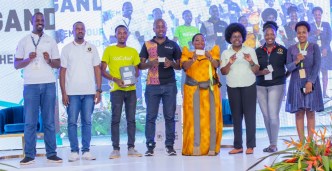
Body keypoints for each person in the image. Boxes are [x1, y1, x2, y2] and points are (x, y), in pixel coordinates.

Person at [14, 12, 62, 165]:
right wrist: (29, 59)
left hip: (49, 84)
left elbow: (58, 63)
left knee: (49, 121)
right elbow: (16, 64)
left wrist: (49, 60)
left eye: (42, 20)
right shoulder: (24, 41)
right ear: (32, 22)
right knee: (30, 122)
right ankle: (29, 155)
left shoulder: (50, 40)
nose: (40, 22)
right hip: (31, 86)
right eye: (37, 20)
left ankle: (51, 154)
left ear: (44, 22)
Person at [139, 19, 181, 156]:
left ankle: (170, 146)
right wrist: (150, 63)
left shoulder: (173, 45)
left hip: (169, 84)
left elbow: (179, 66)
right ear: (153, 29)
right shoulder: (147, 45)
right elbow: (140, 66)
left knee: (170, 116)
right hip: (152, 85)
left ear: (166, 28)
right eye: (158, 27)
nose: (160, 29)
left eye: (163, 26)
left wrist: (172, 64)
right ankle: (150, 146)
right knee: (151, 117)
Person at [59, 21, 101, 162]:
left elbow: (97, 69)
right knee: (71, 122)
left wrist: (99, 90)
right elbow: (62, 72)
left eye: (82, 29)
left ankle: (86, 151)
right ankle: (74, 151)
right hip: (72, 93)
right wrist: (64, 92)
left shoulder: (92, 48)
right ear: (73, 31)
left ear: (85, 31)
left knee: (87, 122)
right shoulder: (66, 49)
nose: (80, 31)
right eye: (77, 29)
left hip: (89, 92)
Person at [101, 25, 142, 159]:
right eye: (120, 33)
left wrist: (133, 76)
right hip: (116, 90)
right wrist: (115, 79)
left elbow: (137, 71)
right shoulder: (109, 50)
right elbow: (102, 70)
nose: (122, 35)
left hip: (131, 90)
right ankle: (115, 149)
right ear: (115, 34)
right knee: (115, 120)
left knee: (131, 120)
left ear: (128, 34)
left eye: (125, 33)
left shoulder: (133, 51)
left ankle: (131, 147)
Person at [220, 23, 259, 155]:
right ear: (229, 39)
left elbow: (256, 70)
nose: (237, 38)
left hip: (249, 86)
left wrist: (250, 61)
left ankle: (250, 146)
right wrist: (229, 62)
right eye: (234, 36)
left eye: (239, 36)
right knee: (236, 117)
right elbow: (224, 72)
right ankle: (238, 146)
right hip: (233, 87)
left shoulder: (250, 51)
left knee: (250, 117)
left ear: (243, 37)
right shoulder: (225, 53)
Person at [181, 33, 222, 156]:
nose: (200, 43)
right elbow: (184, 67)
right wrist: (192, 59)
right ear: (193, 43)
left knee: (211, 118)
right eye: (197, 41)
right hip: (193, 92)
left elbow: (217, 65)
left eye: (202, 40)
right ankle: (194, 147)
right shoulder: (187, 54)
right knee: (193, 119)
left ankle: (211, 148)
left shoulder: (212, 53)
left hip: (210, 91)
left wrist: (210, 58)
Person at [286, 21, 324, 142]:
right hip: (296, 83)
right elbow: (289, 67)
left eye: (304, 32)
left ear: (308, 33)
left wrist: (310, 81)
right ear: (296, 34)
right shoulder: (291, 48)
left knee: (311, 112)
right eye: (299, 33)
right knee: (299, 112)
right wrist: (297, 61)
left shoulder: (314, 47)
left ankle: (310, 143)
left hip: (311, 82)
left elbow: (317, 65)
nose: (301, 35)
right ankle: (302, 144)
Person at [255, 21, 287, 153]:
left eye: (272, 34)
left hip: (277, 85)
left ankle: (274, 145)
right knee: (266, 116)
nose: (269, 36)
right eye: (267, 34)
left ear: (275, 35)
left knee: (273, 115)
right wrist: (261, 72)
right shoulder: (257, 51)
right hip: (261, 86)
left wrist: (283, 77)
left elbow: (289, 67)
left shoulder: (282, 50)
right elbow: (253, 69)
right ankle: (271, 143)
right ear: (263, 35)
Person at [309, 7, 332, 98]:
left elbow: (329, 38)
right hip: (315, 52)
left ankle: (324, 93)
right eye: (316, 15)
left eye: (319, 14)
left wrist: (325, 48)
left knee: (324, 72)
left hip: (325, 51)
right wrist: (315, 34)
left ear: (321, 15)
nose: (318, 16)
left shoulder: (326, 24)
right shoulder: (310, 26)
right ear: (313, 16)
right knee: (316, 72)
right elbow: (308, 39)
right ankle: (317, 93)